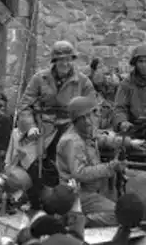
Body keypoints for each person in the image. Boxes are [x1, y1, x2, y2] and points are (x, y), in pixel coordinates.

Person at [17, 40, 96, 185]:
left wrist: (87, 131)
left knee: (77, 158)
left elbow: (92, 109)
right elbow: (24, 106)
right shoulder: (40, 79)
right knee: (27, 158)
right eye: (61, 60)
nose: (65, 64)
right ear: (54, 61)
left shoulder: (83, 82)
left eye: (68, 60)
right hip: (44, 127)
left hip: (72, 126)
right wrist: (30, 126)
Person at [55, 96, 129, 227]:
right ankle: (79, 221)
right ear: (83, 118)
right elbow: (80, 173)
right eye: (93, 113)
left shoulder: (84, 132)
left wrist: (129, 142)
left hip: (92, 190)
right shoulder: (72, 141)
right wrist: (111, 167)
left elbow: (100, 138)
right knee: (120, 215)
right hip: (78, 194)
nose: (96, 117)